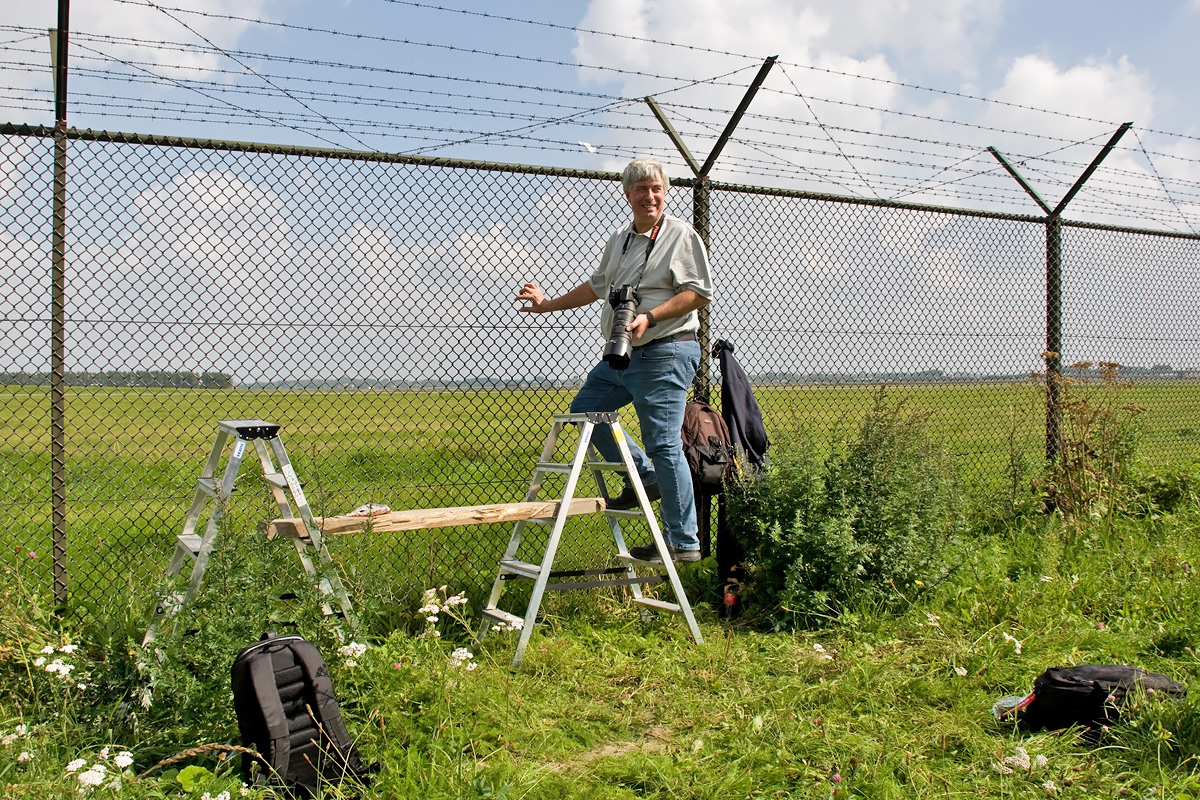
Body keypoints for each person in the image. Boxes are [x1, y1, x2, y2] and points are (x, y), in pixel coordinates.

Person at [515, 157, 712, 563]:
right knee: (588, 409)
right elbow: (596, 287)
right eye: (641, 189)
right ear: (627, 195)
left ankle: (684, 542)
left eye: (656, 188)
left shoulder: (680, 234)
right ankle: (645, 474)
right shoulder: (620, 240)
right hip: (623, 352)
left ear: (665, 192)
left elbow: (698, 293)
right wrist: (546, 304)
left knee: (663, 442)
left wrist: (650, 316)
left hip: (666, 349)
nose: (650, 196)